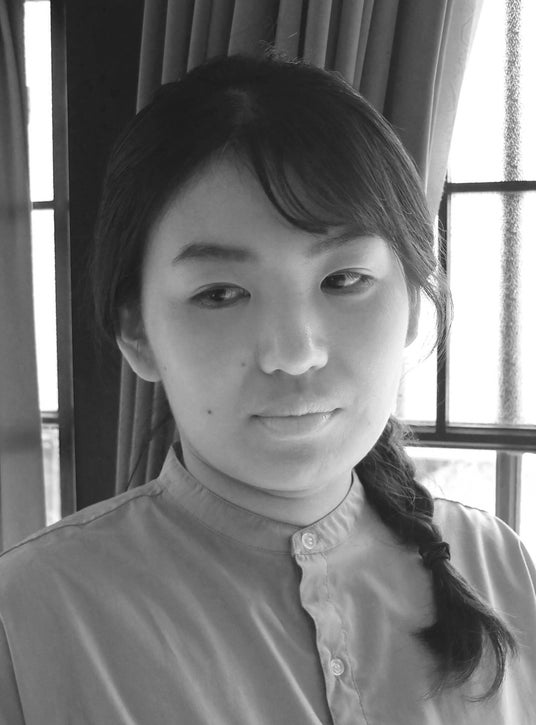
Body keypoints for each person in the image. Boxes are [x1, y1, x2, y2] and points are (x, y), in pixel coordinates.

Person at [1, 53, 535, 725]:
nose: (293, 352)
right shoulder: (28, 618)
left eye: (344, 280)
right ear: (138, 333)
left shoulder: (498, 564)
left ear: (411, 302)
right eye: (220, 293)